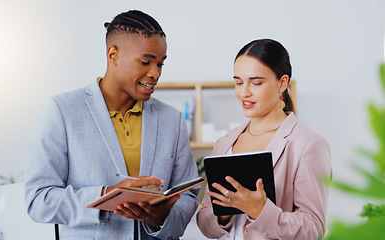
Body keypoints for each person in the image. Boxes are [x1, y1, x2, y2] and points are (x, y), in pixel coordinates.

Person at [24, 10, 199, 240]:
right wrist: (107, 195)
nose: (155, 73)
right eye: (145, 62)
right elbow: (39, 200)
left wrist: (159, 219)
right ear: (113, 54)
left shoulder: (172, 120)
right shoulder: (61, 110)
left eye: (160, 64)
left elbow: (189, 196)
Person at [196, 39, 331, 240]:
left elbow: (313, 229)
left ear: (282, 83)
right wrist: (224, 214)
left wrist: (260, 211)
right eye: (238, 82)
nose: (244, 92)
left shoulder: (308, 144)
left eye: (256, 82)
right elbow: (205, 222)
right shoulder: (224, 143)